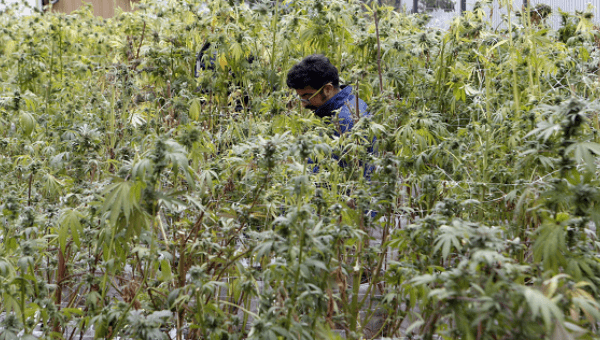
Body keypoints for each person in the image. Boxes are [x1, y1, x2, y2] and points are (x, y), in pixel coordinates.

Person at [286, 54, 369, 135]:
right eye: (300, 97)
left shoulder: (346, 122)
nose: (303, 104)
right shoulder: (351, 102)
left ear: (328, 89)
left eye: (307, 97)